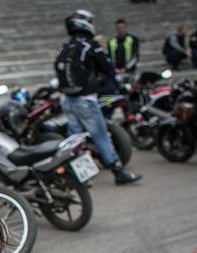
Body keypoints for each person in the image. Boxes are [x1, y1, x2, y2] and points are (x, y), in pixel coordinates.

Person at [55, 14, 141, 185]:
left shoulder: (64, 46)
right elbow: (107, 68)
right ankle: (118, 171)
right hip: (85, 100)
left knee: (75, 138)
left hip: (67, 99)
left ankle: (83, 177)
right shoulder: (89, 45)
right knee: (101, 135)